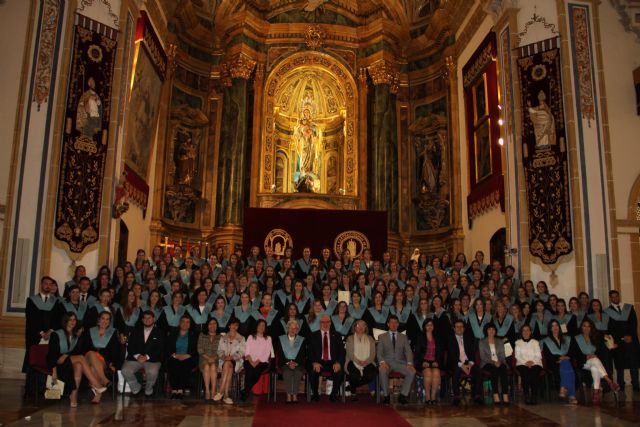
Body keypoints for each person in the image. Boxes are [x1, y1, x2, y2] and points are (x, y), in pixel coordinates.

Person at [47, 313, 106, 406]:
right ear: (65, 321)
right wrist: (54, 372)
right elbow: (51, 355)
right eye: (70, 319)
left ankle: (73, 396)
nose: (72, 322)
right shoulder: (56, 334)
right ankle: (96, 384)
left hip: (68, 362)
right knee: (81, 358)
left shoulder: (75, 335)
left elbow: (76, 352)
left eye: (74, 320)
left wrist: (77, 338)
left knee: (78, 365)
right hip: (58, 363)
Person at [570, 319, 620, 405]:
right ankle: (609, 381)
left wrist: (610, 346)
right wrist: (586, 356)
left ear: (591, 328)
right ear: (581, 327)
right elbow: (574, 354)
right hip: (583, 363)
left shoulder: (594, 337)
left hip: (594, 363)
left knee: (594, 368)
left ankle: (596, 393)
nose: (586, 328)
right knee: (595, 360)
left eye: (588, 326)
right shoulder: (576, 339)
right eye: (584, 326)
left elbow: (601, 350)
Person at [121, 310, 165, 397]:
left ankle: (148, 390)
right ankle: (136, 388)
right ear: (142, 320)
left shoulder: (160, 332)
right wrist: (138, 356)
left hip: (153, 359)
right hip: (135, 358)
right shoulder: (135, 331)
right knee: (125, 370)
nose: (147, 320)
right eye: (145, 318)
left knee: (152, 372)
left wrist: (146, 357)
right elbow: (130, 347)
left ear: (154, 319)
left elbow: (160, 348)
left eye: (149, 318)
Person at [24, 276, 60, 376]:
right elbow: (31, 319)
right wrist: (41, 333)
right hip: (35, 334)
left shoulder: (55, 301)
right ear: (41, 285)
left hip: (50, 335)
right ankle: (30, 388)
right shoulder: (32, 300)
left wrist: (50, 331)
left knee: (48, 359)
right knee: (33, 359)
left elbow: (57, 319)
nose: (47, 286)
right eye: (45, 283)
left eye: (50, 284)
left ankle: (46, 387)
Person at [605, 290, 639, 391]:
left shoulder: (628, 308)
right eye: (613, 297)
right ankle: (621, 385)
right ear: (610, 298)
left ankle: (636, 384)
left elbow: (634, 323)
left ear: (619, 297)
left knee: (634, 363)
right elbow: (610, 328)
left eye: (616, 296)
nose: (615, 298)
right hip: (618, 342)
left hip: (631, 340)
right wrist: (619, 339)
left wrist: (630, 336)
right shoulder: (607, 311)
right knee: (620, 365)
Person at [83, 311, 121, 403]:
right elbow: (83, 347)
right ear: (99, 319)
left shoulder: (113, 332)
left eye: (107, 319)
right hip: (87, 359)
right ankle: (104, 380)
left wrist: (113, 363)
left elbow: (116, 350)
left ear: (109, 321)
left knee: (92, 368)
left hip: (103, 361)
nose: (105, 321)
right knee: (92, 353)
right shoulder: (90, 331)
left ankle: (98, 392)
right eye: (103, 318)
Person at [377, 315, 415, 405]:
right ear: (388, 324)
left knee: (412, 371)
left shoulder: (403, 337)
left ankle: (402, 395)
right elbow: (379, 352)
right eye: (391, 322)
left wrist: (409, 363)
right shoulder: (382, 336)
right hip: (387, 363)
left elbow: (408, 351)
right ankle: (386, 396)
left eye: (395, 322)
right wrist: (382, 362)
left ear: (398, 325)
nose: (393, 324)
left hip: (400, 363)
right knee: (382, 370)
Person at [308, 314, 345, 402]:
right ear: (319, 323)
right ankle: (315, 394)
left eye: (327, 322)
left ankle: (333, 394)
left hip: (332, 362)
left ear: (330, 323)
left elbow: (342, 352)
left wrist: (338, 363)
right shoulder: (313, 335)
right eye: (323, 322)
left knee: (340, 371)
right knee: (312, 372)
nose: (325, 324)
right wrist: (314, 362)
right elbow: (310, 352)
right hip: (318, 362)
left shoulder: (337, 335)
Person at [541, 319, 577, 404]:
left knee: (566, 363)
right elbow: (547, 355)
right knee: (567, 365)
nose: (555, 327)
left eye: (556, 325)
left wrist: (566, 357)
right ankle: (572, 395)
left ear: (559, 327)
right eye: (552, 326)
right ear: (550, 328)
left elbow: (572, 351)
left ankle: (563, 388)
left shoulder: (567, 339)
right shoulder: (546, 341)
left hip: (567, 360)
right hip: (553, 362)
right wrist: (559, 358)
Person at [448, 319, 481, 405]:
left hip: (468, 362)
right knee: (456, 370)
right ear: (454, 328)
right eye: (457, 327)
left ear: (464, 328)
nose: (459, 328)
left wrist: (470, 364)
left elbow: (472, 353)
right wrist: (462, 366)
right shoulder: (450, 339)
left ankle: (476, 395)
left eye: (461, 326)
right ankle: (456, 396)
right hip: (456, 363)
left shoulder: (469, 338)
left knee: (478, 370)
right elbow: (452, 356)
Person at [166, 315, 198, 399]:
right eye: (183, 321)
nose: (185, 324)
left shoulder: (193, 335)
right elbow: (168, 347)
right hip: (174, 356)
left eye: (188, 322)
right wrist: (174, 355)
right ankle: (174, 390)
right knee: (173, 364)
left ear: (190, 324)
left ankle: (180, 390)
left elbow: (196, 349)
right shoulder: (173, 334)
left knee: (184, 366)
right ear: (180, 323)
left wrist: (187, 355)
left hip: (188, 357)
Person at [215, 318, 246, 404]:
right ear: (229, 326)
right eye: (232, 324)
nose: (234, 326)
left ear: (238, 327)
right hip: (224, 361)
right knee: (228, 367)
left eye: (236, 325)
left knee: (228, 364)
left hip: (236, 361)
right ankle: (226, 396)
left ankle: (220, 391)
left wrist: (232, 357)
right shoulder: (223, 337)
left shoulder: (241, 338)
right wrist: (224, 356)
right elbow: (219, 351)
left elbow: (242, 352)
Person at [344, 319, 377, 400]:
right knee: (354, 375)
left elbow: (373, 353)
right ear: (355, 327)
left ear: (366, 327)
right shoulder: (350, 338)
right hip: (353, 361)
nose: (361, 327)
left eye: (363, 325)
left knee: (372, 374)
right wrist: (358, 361)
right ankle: (353, 393)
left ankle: (352, 386)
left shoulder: (370, 338)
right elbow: (350, 353)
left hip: (368, 361)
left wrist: (367, 361)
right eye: (358, 325)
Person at [478, 323, 509, 404]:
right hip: (487, 363)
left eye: (493, 329)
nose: (491, 331)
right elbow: (483, 357)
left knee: (503, 368)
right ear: (486, 331)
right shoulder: (481, 342)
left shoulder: (500, 341)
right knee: (494, 369)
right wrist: (493, 362)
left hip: (499, 361)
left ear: (495, 331)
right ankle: (495, 394)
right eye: (489, 329)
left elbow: (503, 355)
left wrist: (500, 361)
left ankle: (505, 394)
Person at [242, 319, 273, 401]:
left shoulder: (268, 338)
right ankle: (246, 392)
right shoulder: (250, 337)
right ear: (256, 326)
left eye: (263, 325)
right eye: (259, 325)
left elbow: (267, 353)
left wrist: (257, 361)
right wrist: (251, 361)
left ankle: (245, 391)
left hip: (262, 361)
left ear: (265, 327)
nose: (261, 327)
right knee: (249, 371)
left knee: (256, 372)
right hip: (249, 360)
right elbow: (247, 351)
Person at [415, 319, 444, 405]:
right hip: (423, 362)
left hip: (434, 361)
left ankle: (433, 396)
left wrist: (437, 361)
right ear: (424, 326)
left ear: (433, 327)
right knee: (428, 372)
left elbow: (440, 352)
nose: (429, 327)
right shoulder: (420, 336)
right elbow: (417, 352)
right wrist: (423, 361)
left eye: (431, 325)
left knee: (436, 372)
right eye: (427, 325)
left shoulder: (437, 337)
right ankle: (427, 396)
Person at [277, 320, 306, 403]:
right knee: (287, 372)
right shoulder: (281, 339)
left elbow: (302, 354)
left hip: (298, 363)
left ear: (297, 329)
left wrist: (295, 363)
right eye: (291, 328)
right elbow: (280, 354)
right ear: (287, 328)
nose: (293, 330)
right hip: (285, 362)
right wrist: (288, 363)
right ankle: (289, 394)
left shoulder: (301, 339)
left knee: (298, 373)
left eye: (295, 328)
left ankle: (295, 394)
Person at [514, 324, 543, 405]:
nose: (526, 332)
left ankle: (534, 396)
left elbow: (538, 355)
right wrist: (526, 362)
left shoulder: (535, 342)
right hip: (522, 363)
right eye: (524, 330)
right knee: (525, 372)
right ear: (521, 332)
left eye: (527, 330)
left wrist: (532, 362)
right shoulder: (518, 343)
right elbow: (517, 355)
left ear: (530, 332)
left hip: (535, 363)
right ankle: (526, 395)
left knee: (534, 372)